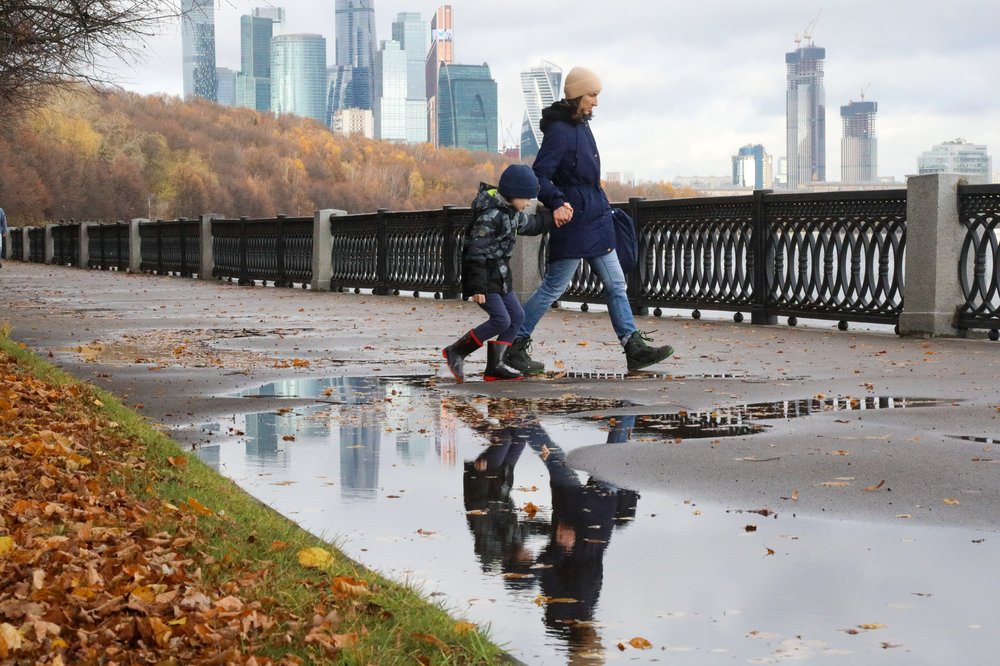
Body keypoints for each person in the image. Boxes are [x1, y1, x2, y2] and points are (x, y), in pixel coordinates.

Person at [504, 66, 675, 375]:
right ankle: (514, 343)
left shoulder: (581, 125)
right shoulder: (560, 130)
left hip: (596, 217)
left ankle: (632, 346)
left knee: (616, 284)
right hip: (574, 220)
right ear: (576, 95)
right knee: (554, 286)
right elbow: (540, 174)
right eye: (592, 95)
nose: (596, 102)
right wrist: (557, 202)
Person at [441, 164, 550, 383]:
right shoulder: (490, 215)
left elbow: (532, 225)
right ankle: (456, 351)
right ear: (513, 193)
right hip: (485, 278)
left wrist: (553, 217)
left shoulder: (513, 213)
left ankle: (495, 367)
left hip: (502, 277)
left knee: (517, 316)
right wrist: (478, 287)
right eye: (526, 198)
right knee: (501, 320)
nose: (529, 203)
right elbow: (475, 252)